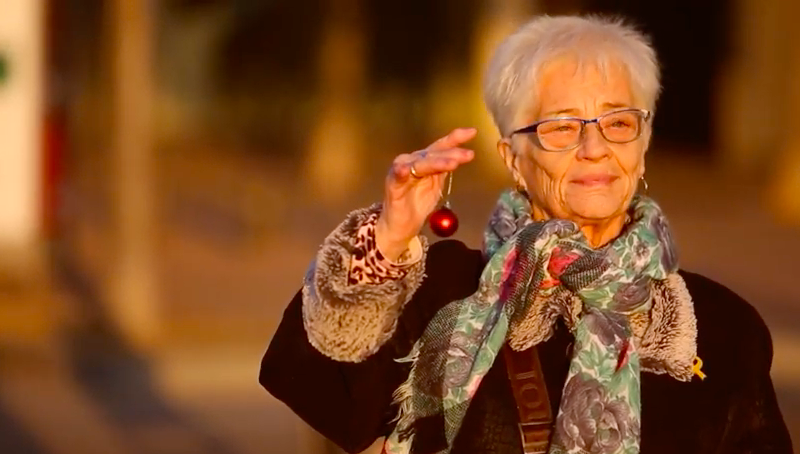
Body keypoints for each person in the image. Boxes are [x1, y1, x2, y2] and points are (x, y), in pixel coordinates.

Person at [260, 15, 793, 454]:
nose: (594, 149)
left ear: (642, 145)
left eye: (618, 123)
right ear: (514, 159)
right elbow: (317, 383)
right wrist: (389, 238)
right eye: (561, 127)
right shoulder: (440, 292)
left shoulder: (721, 329)